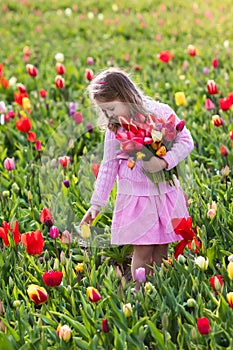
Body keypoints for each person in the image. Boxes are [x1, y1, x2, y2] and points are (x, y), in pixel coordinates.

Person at [80, 67, 194, 290]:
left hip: (164, 192)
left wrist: (164, 162)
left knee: (162, 247)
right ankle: (141, 290)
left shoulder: (159, 112)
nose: (109, 115)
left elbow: (185, 140)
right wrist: (96, 203)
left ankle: (159, 289)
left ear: (126, 96)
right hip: (137, 198)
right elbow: (109, 165)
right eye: (104, 111)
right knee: (142, 249)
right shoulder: (115, 129)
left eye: (111, 108)